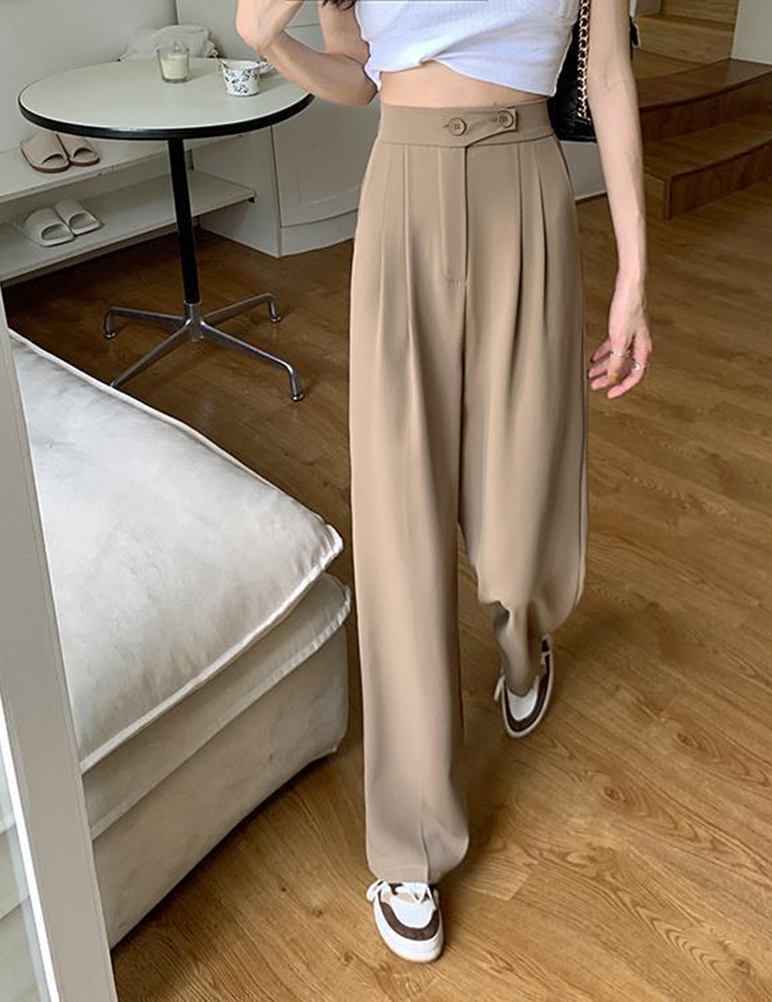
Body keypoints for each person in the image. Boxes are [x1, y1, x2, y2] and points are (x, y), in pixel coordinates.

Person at [236, 0, 651, 963]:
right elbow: (358, 77)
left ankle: (524, 634)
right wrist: (271, 44)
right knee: (401, 519)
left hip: (527, 185)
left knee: (523, 506)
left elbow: (606, 72)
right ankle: (410, 842)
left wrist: (635, 273)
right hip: (404, 193)